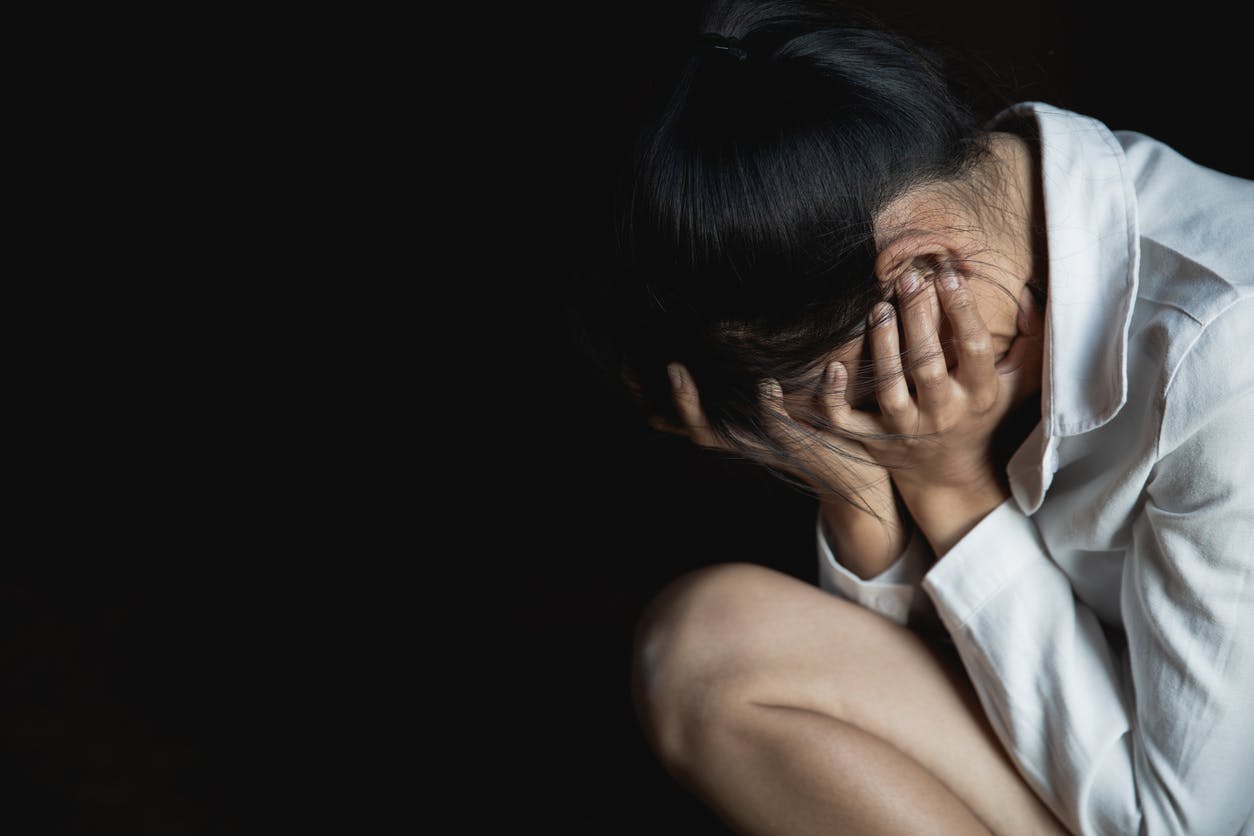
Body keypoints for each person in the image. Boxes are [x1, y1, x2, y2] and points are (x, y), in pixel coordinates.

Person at [568, 0, 1254, 833]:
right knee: (703, 647)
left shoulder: (1226, 352)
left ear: (925, 269)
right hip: (1098, 757)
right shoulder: (982, 215)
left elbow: (1176, 825)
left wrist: (953, 489)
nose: (856, 420)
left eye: (843, 402)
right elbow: (888, 731)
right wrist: (858, 491)